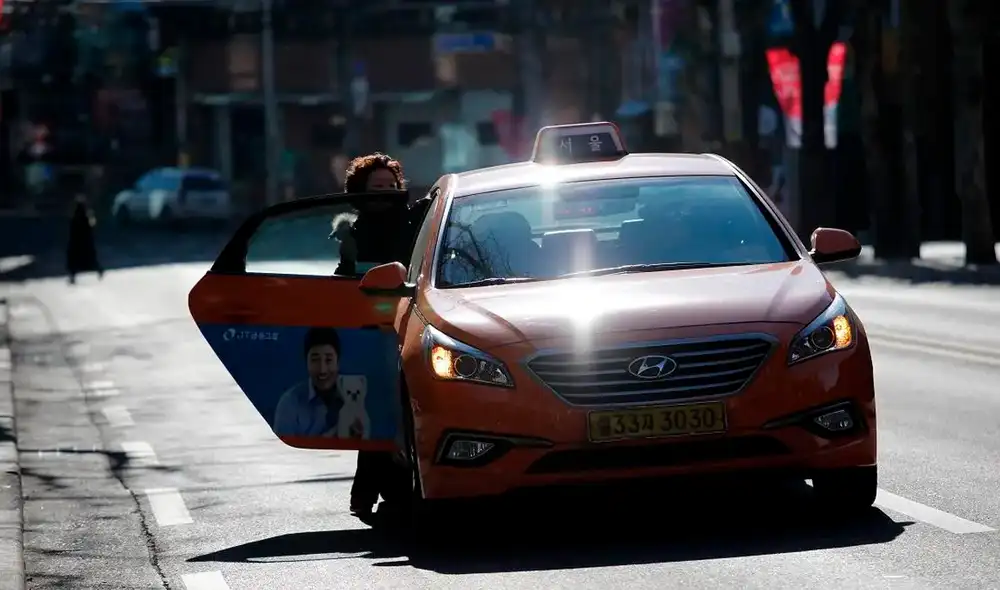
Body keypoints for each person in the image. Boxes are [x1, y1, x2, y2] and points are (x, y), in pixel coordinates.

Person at [332, 153, 431, 522]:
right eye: (378, 188)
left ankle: (374, 490)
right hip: (372, 333)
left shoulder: (418, 223)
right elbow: (343, 286)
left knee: (404, 410)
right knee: (376, 410)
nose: (386, 194)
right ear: (360, 192)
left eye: (392, 187)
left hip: (416, 327)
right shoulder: (353, 237)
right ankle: (372, 489)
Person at [272, 327, 357, 437]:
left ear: (338, 362)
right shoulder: (290, 403)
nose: (322, 369)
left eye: (329, 360)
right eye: (315, 360)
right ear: (306, 362)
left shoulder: (356, 392)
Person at [66, 194, 103, 284]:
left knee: (74, 261)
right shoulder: (86, 215)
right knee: (90, 260)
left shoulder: (75, 216)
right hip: (86, 243)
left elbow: (72, 230)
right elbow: (92, 226)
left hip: (77, 243)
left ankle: (72, 277)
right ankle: (99, 270)